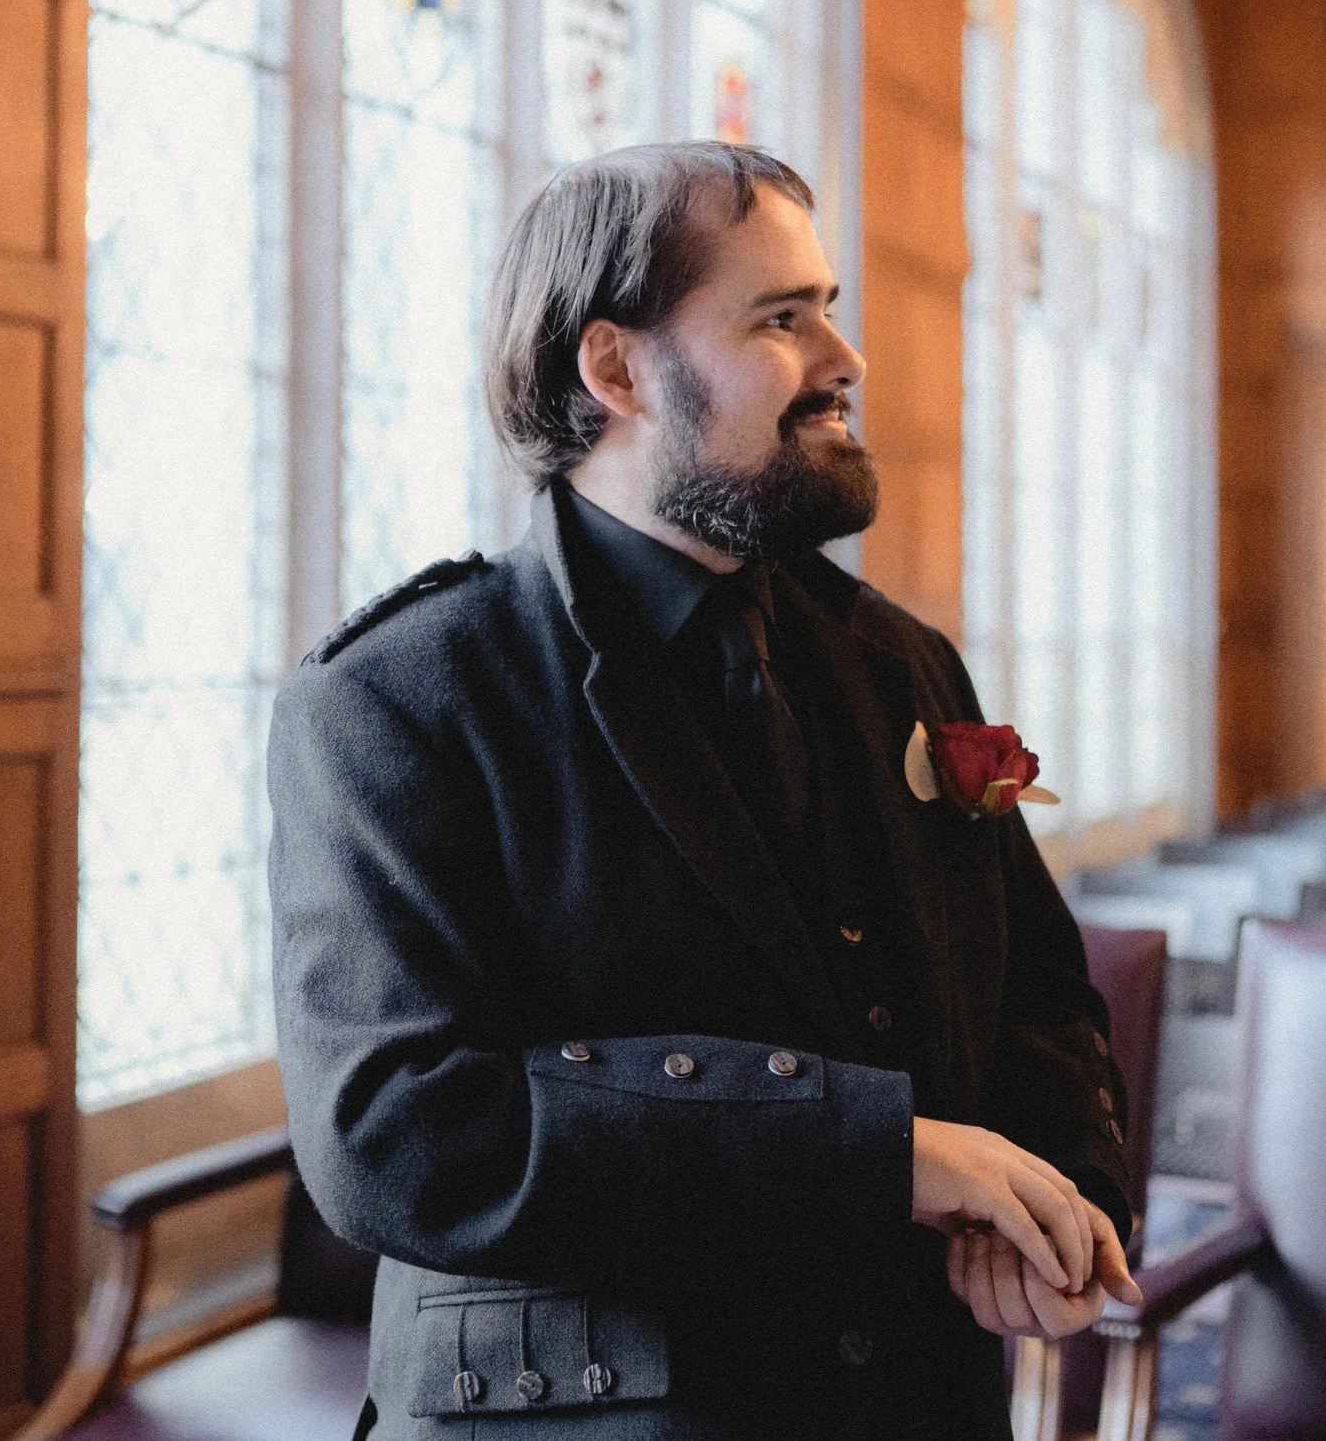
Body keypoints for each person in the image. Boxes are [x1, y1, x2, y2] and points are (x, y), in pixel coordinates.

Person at [269, 140, 1141, 1440]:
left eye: (829, 307)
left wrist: (1060, 1203)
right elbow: (399, 1132)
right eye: (782, 318)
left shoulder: (903, 663)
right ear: (616, 368)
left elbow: (1033, 987)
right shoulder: (401, 696)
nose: (845, 358)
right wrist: (883, 1155)